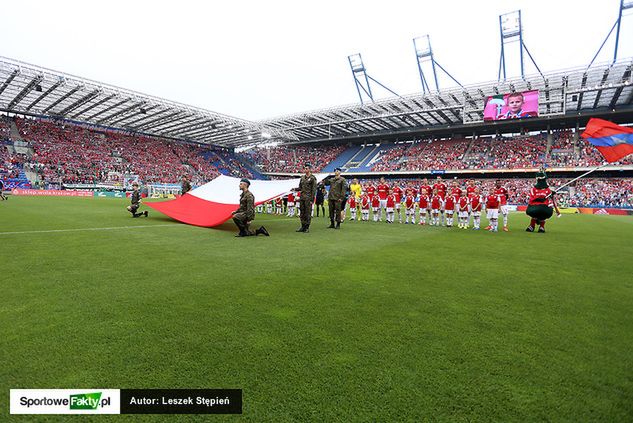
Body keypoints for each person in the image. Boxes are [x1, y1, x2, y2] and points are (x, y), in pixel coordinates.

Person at [297, 164, 317, 233]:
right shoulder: (302, 178)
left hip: (308, 198)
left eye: (306, 168)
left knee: (307, 213)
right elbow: (300, 187)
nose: (305, 170)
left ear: (310, 169)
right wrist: (294, 189)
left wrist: (312, 199)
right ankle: (303, 226)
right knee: (302, 212)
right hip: (302, 197)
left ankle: (307, 227)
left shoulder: (312, 178)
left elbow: (314, 189)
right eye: (304, 168)